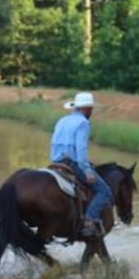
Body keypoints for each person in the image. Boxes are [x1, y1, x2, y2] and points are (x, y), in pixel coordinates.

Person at [49, 92, 112, 237]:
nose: (91, 112)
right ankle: (89, 221)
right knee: (104, 191)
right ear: (85, 109)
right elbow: (81, 149)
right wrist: (87, 170)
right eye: (90, 109)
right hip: (72, 164)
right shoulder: (83, 123)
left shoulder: (62, 120)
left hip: (56, 162)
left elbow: (53, 143)